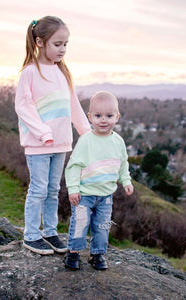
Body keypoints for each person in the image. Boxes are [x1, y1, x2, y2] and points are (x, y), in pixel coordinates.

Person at [15, 16, 91, 255]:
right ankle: (31, 235)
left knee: (53, 190)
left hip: (61, 144)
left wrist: (88, 135)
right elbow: (23, 107)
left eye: (66, 44)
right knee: (38, 189)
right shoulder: (29, 73)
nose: (63, 49)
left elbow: (73, 107)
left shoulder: (62, 73)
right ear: (40, 42)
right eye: (57, 44)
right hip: (39, 144)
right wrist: (43, 132)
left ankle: (49, 232)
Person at [64, 91, 134, 270]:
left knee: (102, 227)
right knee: (80, 223)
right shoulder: (86, 140)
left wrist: (126, 181)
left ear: (117, 117)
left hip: (105, 196)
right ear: (90, 117)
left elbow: (122, 163)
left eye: (109, 116)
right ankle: (73, 253)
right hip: (84, 195)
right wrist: (73, 189)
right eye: (98, 116)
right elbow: (74, 166)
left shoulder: (118, 142)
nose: (103, 120)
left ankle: (97, 254)